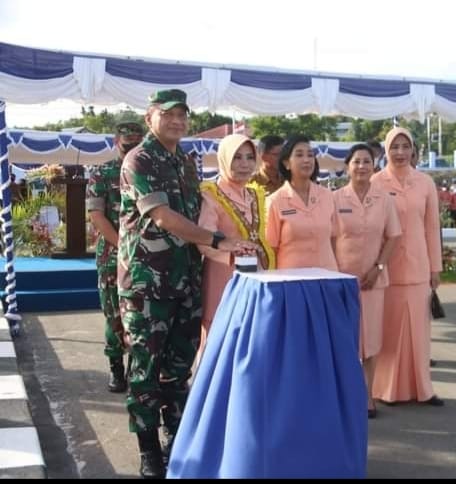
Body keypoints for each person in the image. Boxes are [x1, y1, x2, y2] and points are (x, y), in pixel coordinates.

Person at [118, 89, 246, 478]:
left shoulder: (187, 163)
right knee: (145, 370)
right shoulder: (139, 159)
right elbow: (163, 218)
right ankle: (148, 449)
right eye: (168, 114)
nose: (177, 121)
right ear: (150, 117)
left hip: (186, 280)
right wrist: (219, 241)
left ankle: (177, 437)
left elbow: (199, 216)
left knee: (177, 368)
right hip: (147, 286)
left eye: (182, 115)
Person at [370, 127, 444, 406]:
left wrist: (435, 268)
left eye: (405, 147)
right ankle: (385, 388)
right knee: (388, 331)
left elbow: (432, 227)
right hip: (384, 267)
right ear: (386, 151)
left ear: (413, 150)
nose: (400, 153)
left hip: (418, 267)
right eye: (394, 147)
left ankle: (422, 389)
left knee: (418, 332)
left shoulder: (425, 183)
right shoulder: (376, 182)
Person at [333, 143, 401, 419]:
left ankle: (368, 396)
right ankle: (344, 397)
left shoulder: (384, 199)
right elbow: (327, 238)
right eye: (356, 161)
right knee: (345, 340)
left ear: (374, 167)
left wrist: (379, 267)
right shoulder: (335, 198)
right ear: (347, 166)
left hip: (374, 281)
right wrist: (335, 273)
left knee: (370, 341)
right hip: (340, 281)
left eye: (367, 162)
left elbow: (394, 236)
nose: (362, 166)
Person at [196, 134, 276, 361]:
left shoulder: (255, 194)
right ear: (223, 160)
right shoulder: (211, 194)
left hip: (256, 276)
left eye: (250, 158)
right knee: (219, 343)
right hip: (224, 276)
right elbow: (204, 239)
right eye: (236, 158)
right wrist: (230, 255)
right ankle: (212, 395)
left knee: (251, 342)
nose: (244, 164)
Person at [86, 115, 144, 394]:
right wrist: (124, 247)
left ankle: (136, 369)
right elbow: (97, 215)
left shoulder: (148, 173)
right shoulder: (103, 173)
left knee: (140, 318)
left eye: (136, 145)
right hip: (113, 257)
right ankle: (116, 370)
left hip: (147, 260)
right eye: (125, 145)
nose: (130, 150)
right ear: (115, 142)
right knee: (114, 316)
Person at [266, 134, 338, 270]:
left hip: (326, 277)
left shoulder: (327, 196)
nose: (306, 160)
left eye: (310, 155)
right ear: (286, 163)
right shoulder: (274, 201)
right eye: (299, 155)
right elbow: (271, 249)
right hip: (291, 281)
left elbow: (333, 239)